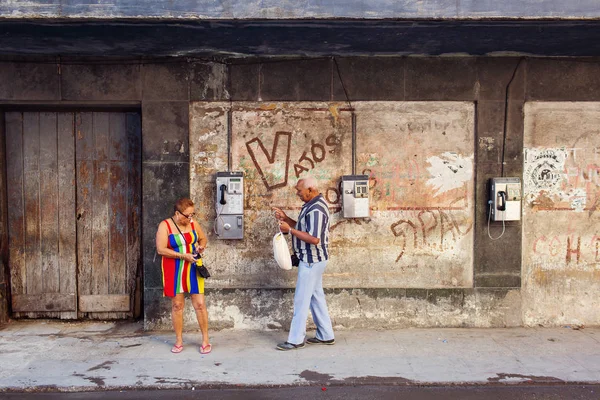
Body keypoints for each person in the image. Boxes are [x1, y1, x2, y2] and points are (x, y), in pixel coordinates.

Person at [272, 177, 335, 350]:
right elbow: (304, 228)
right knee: (316, 297)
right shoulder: (311, 204)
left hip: (311, 261)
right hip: (313, 260)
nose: (298, 193)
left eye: (299, 191)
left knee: (301, 300)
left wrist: (290, 230)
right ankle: (326, 334)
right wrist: (287, 219)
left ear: (310, 189)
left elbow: (314, 238)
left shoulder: (316, 209)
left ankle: (295, 339)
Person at [156, 197, 211, 354]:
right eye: (187, 215)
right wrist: (183, 255)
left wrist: (201, 247)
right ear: (177, 213)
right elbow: (161, 249)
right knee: (177, 305)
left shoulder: (193, 223)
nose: (190, 218)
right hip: (174, 269)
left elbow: (203, 238)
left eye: (192, 214)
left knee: (200, 304)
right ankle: (179, 340)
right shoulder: (165, 225)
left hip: (193, 266)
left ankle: (206, 339)